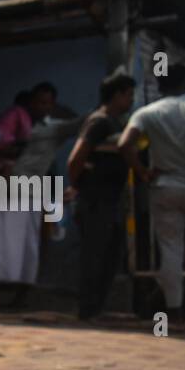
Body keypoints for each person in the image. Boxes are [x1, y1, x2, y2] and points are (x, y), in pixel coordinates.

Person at [119, 64, 185, 321]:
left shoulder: (147, 112)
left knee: (170, 250)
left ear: (160, 86)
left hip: (166, 186)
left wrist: (142, 172)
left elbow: (124, 143)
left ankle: (174, 311)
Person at [0, 81, 77, 307]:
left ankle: (22, 295)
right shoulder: (15, 117)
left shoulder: (48, 126)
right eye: (41, 102)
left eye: (49, 103)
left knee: (30, 242)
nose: (44, 107)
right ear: (31, 101)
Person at [67, 68, 136, 321]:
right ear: (115, 95)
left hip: (111, 200)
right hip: (96, 201)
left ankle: (96, 308)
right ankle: (87, 309)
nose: (131, 100)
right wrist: (80, 186)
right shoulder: (99, 121)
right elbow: (75, 160)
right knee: (94, 255)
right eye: (128, 95)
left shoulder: (116, 123)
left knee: (109, 255)